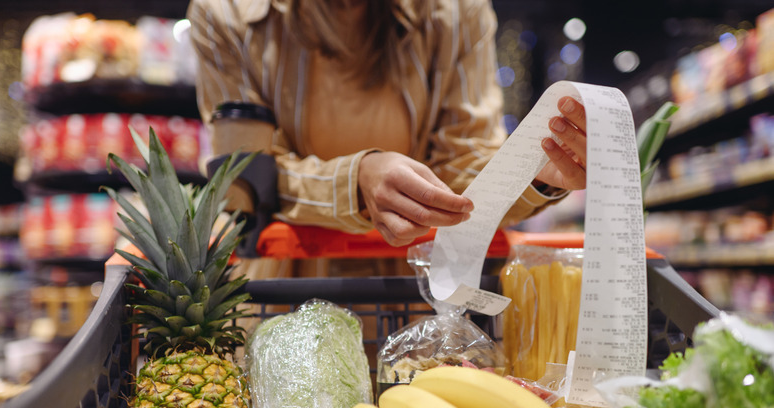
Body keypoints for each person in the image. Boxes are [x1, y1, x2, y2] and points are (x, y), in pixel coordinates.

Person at [186, 0, 587, 273]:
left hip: (416, 296)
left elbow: (463, 164)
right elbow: (244, 179)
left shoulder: (456, 11)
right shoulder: (227, 14)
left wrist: (533, 171)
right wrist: (355, 182)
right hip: (286, 294)